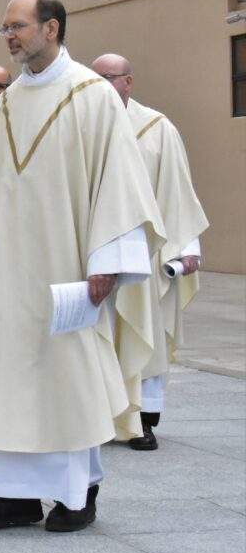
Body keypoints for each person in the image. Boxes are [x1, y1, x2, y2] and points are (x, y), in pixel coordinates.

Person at [0, 0, 164, 533]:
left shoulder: (92, 95)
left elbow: (119, 185)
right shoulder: (12, 98)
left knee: (65, 379)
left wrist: (106, 262)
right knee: (6, 376)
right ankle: (12, 497)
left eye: (17, 26)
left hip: (65, 266)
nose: (9, 36)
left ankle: (76, 493)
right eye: (5, 29)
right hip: (6, 272)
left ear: (52, 29)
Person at [91, 53, 208, 450]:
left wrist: (187, 247)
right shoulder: (83, 125)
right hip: (95, 250)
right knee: (98, 334)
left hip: (147, 251)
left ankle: (144, 421)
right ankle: (99, 414)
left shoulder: (158, 129)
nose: (104, 85)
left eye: (111, 77)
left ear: (129, 82)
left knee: (144, 330)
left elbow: (178, 192)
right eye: (97, 78)